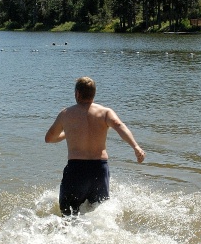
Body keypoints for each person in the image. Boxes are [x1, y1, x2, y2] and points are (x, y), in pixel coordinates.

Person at [45, 76, 145, 215]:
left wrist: (68, 134)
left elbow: (49, 138)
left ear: (77, 93)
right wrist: (136, 147)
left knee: (67, 215)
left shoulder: (66, 114)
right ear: (94, 93)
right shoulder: (105, 112)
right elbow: (119, 126)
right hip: (99, 170)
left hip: (76, 170)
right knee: (99, 214)